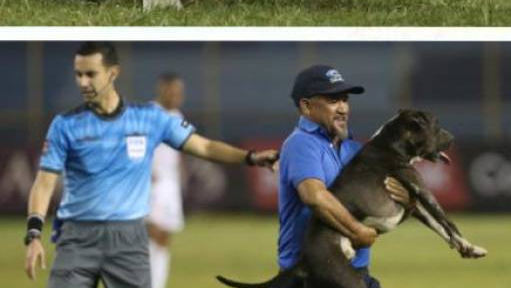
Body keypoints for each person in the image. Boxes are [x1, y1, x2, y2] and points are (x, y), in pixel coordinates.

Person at [23, 42, 279, 287]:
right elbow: (44, 183)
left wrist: (250, 157)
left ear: (113, 73)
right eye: (78, 75)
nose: (82, 82)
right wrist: (34, 234)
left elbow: (205, 147)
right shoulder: (65, 124)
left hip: (128, 240)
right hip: (76, 238)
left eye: (90, 74)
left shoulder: (149, 118)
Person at [277, 65, 408, 288]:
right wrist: (357, 231)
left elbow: (375, 214)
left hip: (354, 274)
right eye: (332, 100)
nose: (343, 108)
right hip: (310, 276)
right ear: (306, 106)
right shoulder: (301, 143)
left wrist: (406, 203)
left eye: (345, 99)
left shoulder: (354, 149)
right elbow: (314, 196)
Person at [147, 73, 186, 288]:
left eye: (179, 91)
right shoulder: (151, 113)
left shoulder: (178, 116)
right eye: (171, 90)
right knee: (153, 234)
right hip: (153, 183)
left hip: (170, 183)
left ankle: (158, 283)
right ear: (161, 89)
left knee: (164, 238)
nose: (176, 95)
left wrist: (180, 172)